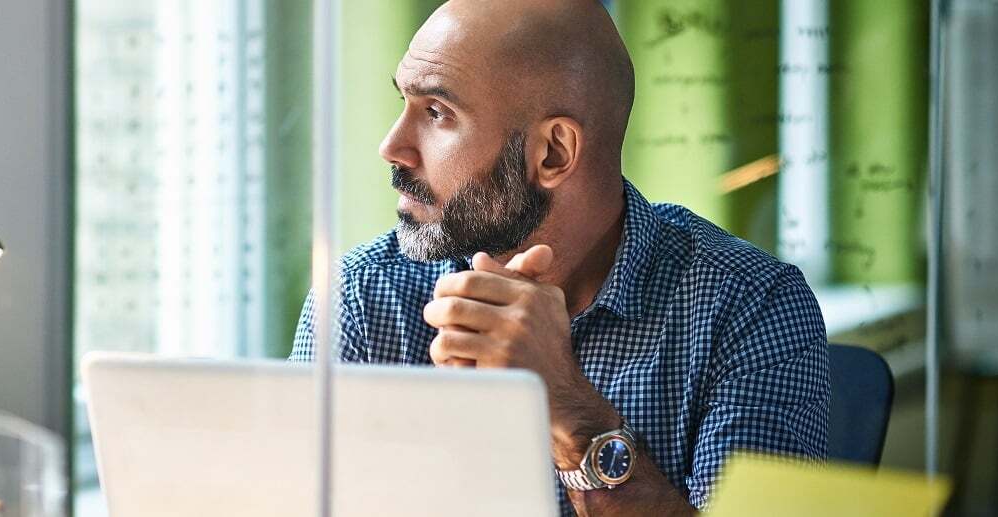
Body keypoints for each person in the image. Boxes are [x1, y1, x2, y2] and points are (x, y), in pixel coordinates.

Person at [289, 1, 830, 515]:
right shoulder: (361, 298)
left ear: (553, 153)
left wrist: (567, 406)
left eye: (437, 112)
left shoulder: (751, 308)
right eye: (403, 104)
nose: (393, 146)